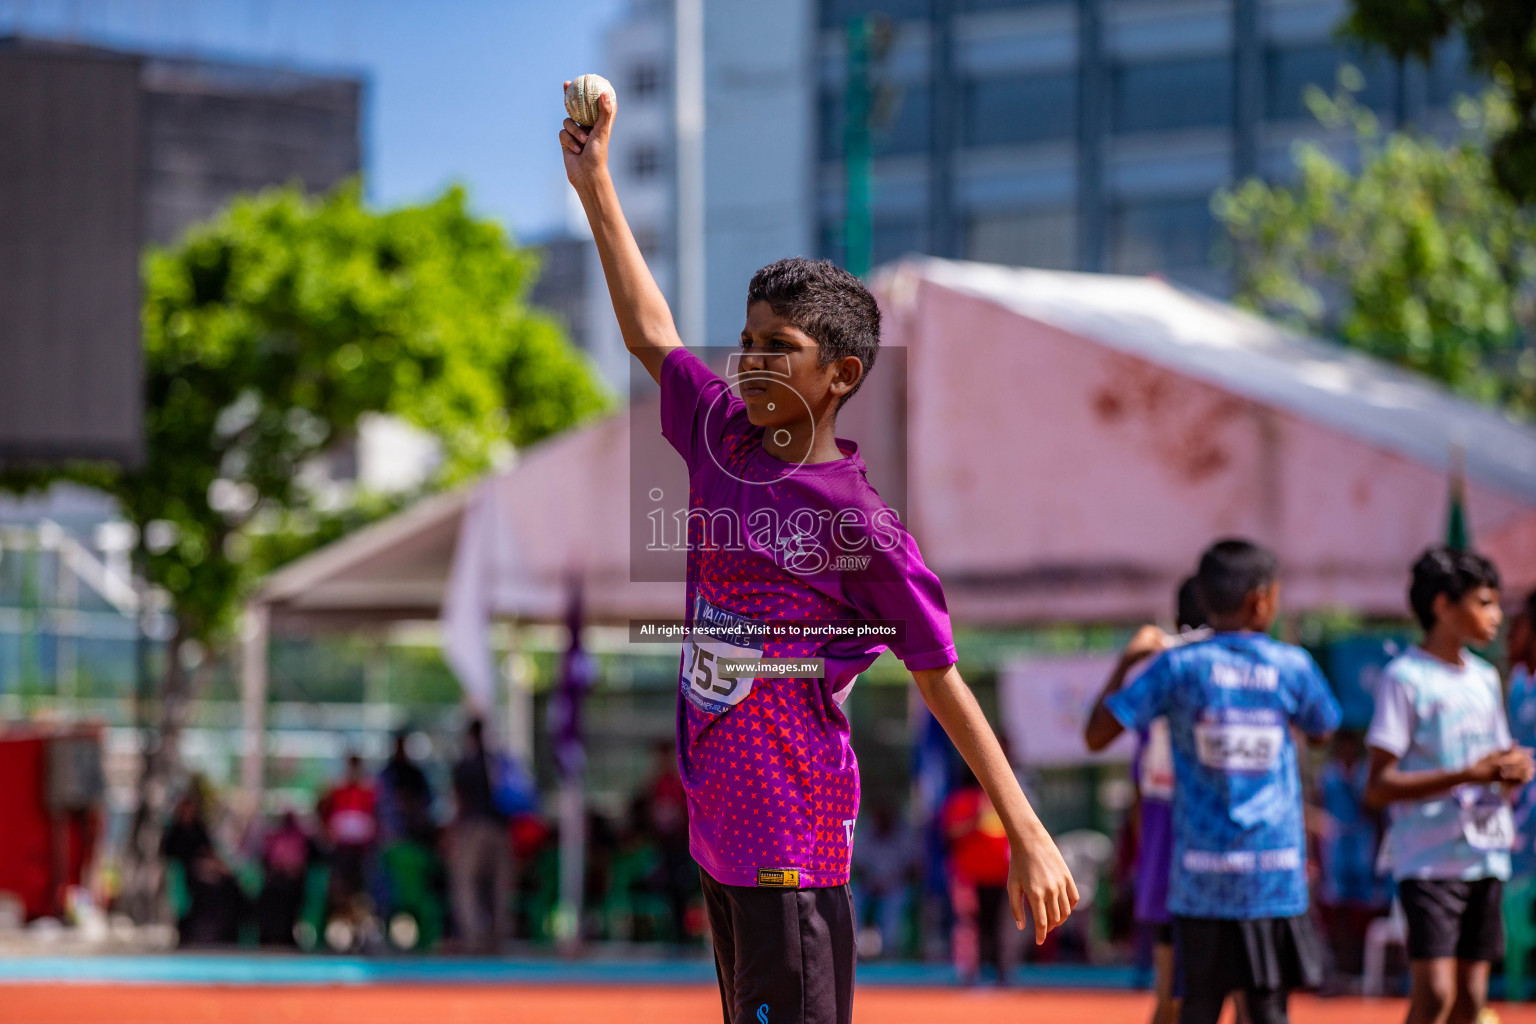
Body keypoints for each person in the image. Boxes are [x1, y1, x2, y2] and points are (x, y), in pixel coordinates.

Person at [559, 85, 1077, 1024]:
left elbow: (942, 678)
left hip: (789, 841)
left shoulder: (862, 526)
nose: (749, 361)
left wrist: (1026, 833)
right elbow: (652, 334)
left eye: (779, 347)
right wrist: (595, 180)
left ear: (840, 375)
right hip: (720, 835)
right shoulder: (719, 436)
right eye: (748, 341)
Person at [1086, 539, 1341, 1024]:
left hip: (1200, 883)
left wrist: (1125, 663)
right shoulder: (1292, 666)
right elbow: (1324, 726)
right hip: (1273, 876)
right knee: (1267, 1010)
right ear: (1262, 600)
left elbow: (1098, 735)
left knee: (1197, 1010)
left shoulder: (1178, 668)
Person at [1364, 547, 1534, 1024]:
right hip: (1427, 860)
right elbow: (1377, 787)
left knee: (1469, 999)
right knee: (1435, 994)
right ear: (1443, 606)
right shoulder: (1406, 679)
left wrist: (1511, 770)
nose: (1497, 616)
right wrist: (1467, 775)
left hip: (1485, 856)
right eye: (1484, 603)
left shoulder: (1483, 678)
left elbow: (1494, 761)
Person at [1314, 730, 1388, 982]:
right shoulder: (1328, 775)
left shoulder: (1365, 774)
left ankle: (1359, 967)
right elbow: (1320, 807)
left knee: (1364, 908)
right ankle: (1338, 967)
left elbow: (1375, 810)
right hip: (1335, 847)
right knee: (1336, 909)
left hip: (1362, 846)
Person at [942, 767, 1016, 984]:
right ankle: (970, 973)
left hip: (999, 875)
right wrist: (975, 818)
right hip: (970, 876)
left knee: (1000, 925)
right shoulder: (961, 800)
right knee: (969, 925)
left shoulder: (1001, 800)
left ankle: (1003, 972)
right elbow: (951, 832)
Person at [450, 718, 513, 953]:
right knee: (499, 886)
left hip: (476, 829)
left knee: (467, 884)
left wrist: (453, 833)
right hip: (500, 829)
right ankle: (498, 939)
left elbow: (458, 801)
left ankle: (476, 940)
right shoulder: (500, 763)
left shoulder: (468, 765)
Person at [851, 800, 917, 959]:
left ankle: (889, 949)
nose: (881, 820)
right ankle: (854, 948)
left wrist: (889, 881)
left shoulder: (903, 834)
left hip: (895, 886)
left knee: (895, 900)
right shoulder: (868, 832)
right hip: (869, 885)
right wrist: (873, 881)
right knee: (853, 897)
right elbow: (857, 865)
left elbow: (912, 867)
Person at [316, 753, 379, 917]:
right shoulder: (337, 790)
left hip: (362, 850)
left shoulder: (369, 791)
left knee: (362, 886)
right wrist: (328, 833)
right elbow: (323, 812)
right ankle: (340, 917)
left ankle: (361, 918)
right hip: (341, 849)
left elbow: (376, 817)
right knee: (340, 885)